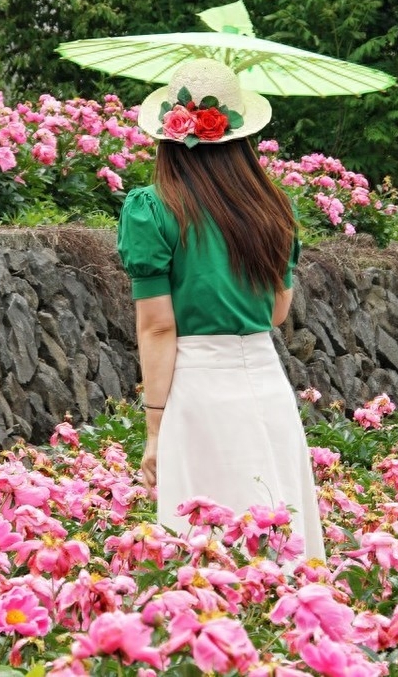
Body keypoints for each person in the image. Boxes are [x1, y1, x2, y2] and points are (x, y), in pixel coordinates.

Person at [116, 58, 325, 560]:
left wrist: (153, 429)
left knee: (207, 549)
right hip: (266, 383)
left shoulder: (154, 210)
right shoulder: (273, 209)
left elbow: (159, 328)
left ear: (169, 137)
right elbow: (276, 314)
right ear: (241, 139)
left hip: (198, 390)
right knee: (276, 532)